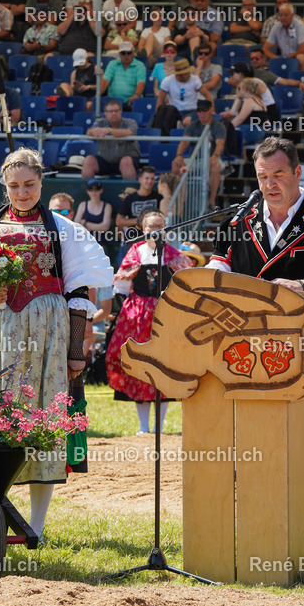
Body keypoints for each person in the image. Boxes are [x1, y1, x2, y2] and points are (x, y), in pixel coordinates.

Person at [0, 147, 115, 539]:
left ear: (42, 182)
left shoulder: (63, 230)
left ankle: (37, 524)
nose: (22, 192)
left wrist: (77, 351)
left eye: (29, 184)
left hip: (47, 333)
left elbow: (80, 290)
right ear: (4, 185)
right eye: (14, 186)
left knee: (43, 420)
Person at [209, 136, 304, 492]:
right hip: (243, 348)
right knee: (248, 443)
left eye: (278, 174)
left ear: (298, 172)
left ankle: (298, 534)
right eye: (262, 177)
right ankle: (255, 522)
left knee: (301, 445)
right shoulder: (238, 221)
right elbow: (217, 269)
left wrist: (300, 287)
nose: (270, 184)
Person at [104, 209, 190, 434]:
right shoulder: (135, 253)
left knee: (166, 367)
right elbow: (121, 287)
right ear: (144, 229)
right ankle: (143, 427)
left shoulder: (173, 254)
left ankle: (159, 428)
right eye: (152, 226)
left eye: (160, 225)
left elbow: (188, 285)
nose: (156, 229)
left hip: (167, 315)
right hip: (139, 317)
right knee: (141, 365)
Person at [172, 99, 226, 202]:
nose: (202, 113)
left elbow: (220, 143)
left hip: (211, 158)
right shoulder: (192, 125)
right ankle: (177, 201)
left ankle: (212, 201)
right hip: (195, 159)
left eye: (205, 110)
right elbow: (184, 142)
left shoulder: (219, 126)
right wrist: (179, 155)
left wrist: (215, 156)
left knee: (216, 166)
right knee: (175, 164)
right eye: (199, 110)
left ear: (210, 110)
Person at [113, 166, 163, 264]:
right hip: (132, 243)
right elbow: (119, 221)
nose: (150, 181)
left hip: (152, 244)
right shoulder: (130, 199)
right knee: (126, 275)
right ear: (140, 179)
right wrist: (141, 221)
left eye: (152, 178)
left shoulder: (159, 198)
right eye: (147, 178)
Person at [82, 99, 139, 180]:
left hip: (127, 160)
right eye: (110, 111)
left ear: (121, 112)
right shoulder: (100, 122)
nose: (114, 113)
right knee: (89, 160)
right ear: (105, 114)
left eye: (116, 111)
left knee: (126, 161)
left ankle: (129, 191)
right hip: (105, 160)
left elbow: (130, 133)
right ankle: (86, 190)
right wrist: (94, 131)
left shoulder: (130, 122)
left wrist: (110, 130)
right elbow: (89, 133)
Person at [264, 2, 304, 71]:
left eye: (286, 15)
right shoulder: (276, 27)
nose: (283, 18)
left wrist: (287, 58)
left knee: (300, 57)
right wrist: (276, 58)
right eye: (281, 15)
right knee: (263, 58)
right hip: (284, 57)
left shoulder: (300, 26)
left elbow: (303, 50)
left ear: (292, 16)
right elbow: (265, 49)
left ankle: (301, 80)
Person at [98, 40, 146, 109]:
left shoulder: (140, 65)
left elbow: (141, 83)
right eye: (123, 53)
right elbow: (105, 82)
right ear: (119, 54)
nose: (126, 55)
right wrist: (97, 95)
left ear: (133, 53)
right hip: (113, 101)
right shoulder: (112, 64)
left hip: (131, 101)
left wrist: (137, 95)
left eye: (129, 53)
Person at [74, 178, 112, 251]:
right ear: (87, 191)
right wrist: (98, 227)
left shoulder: (107, 206)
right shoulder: (82, 205)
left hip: (101, 245)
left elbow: (105, 227)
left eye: (97, 189)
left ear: (101, 190)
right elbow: (77, 225)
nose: (94, 192)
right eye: (91, 189)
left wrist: (85, 223)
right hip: (83, 244)